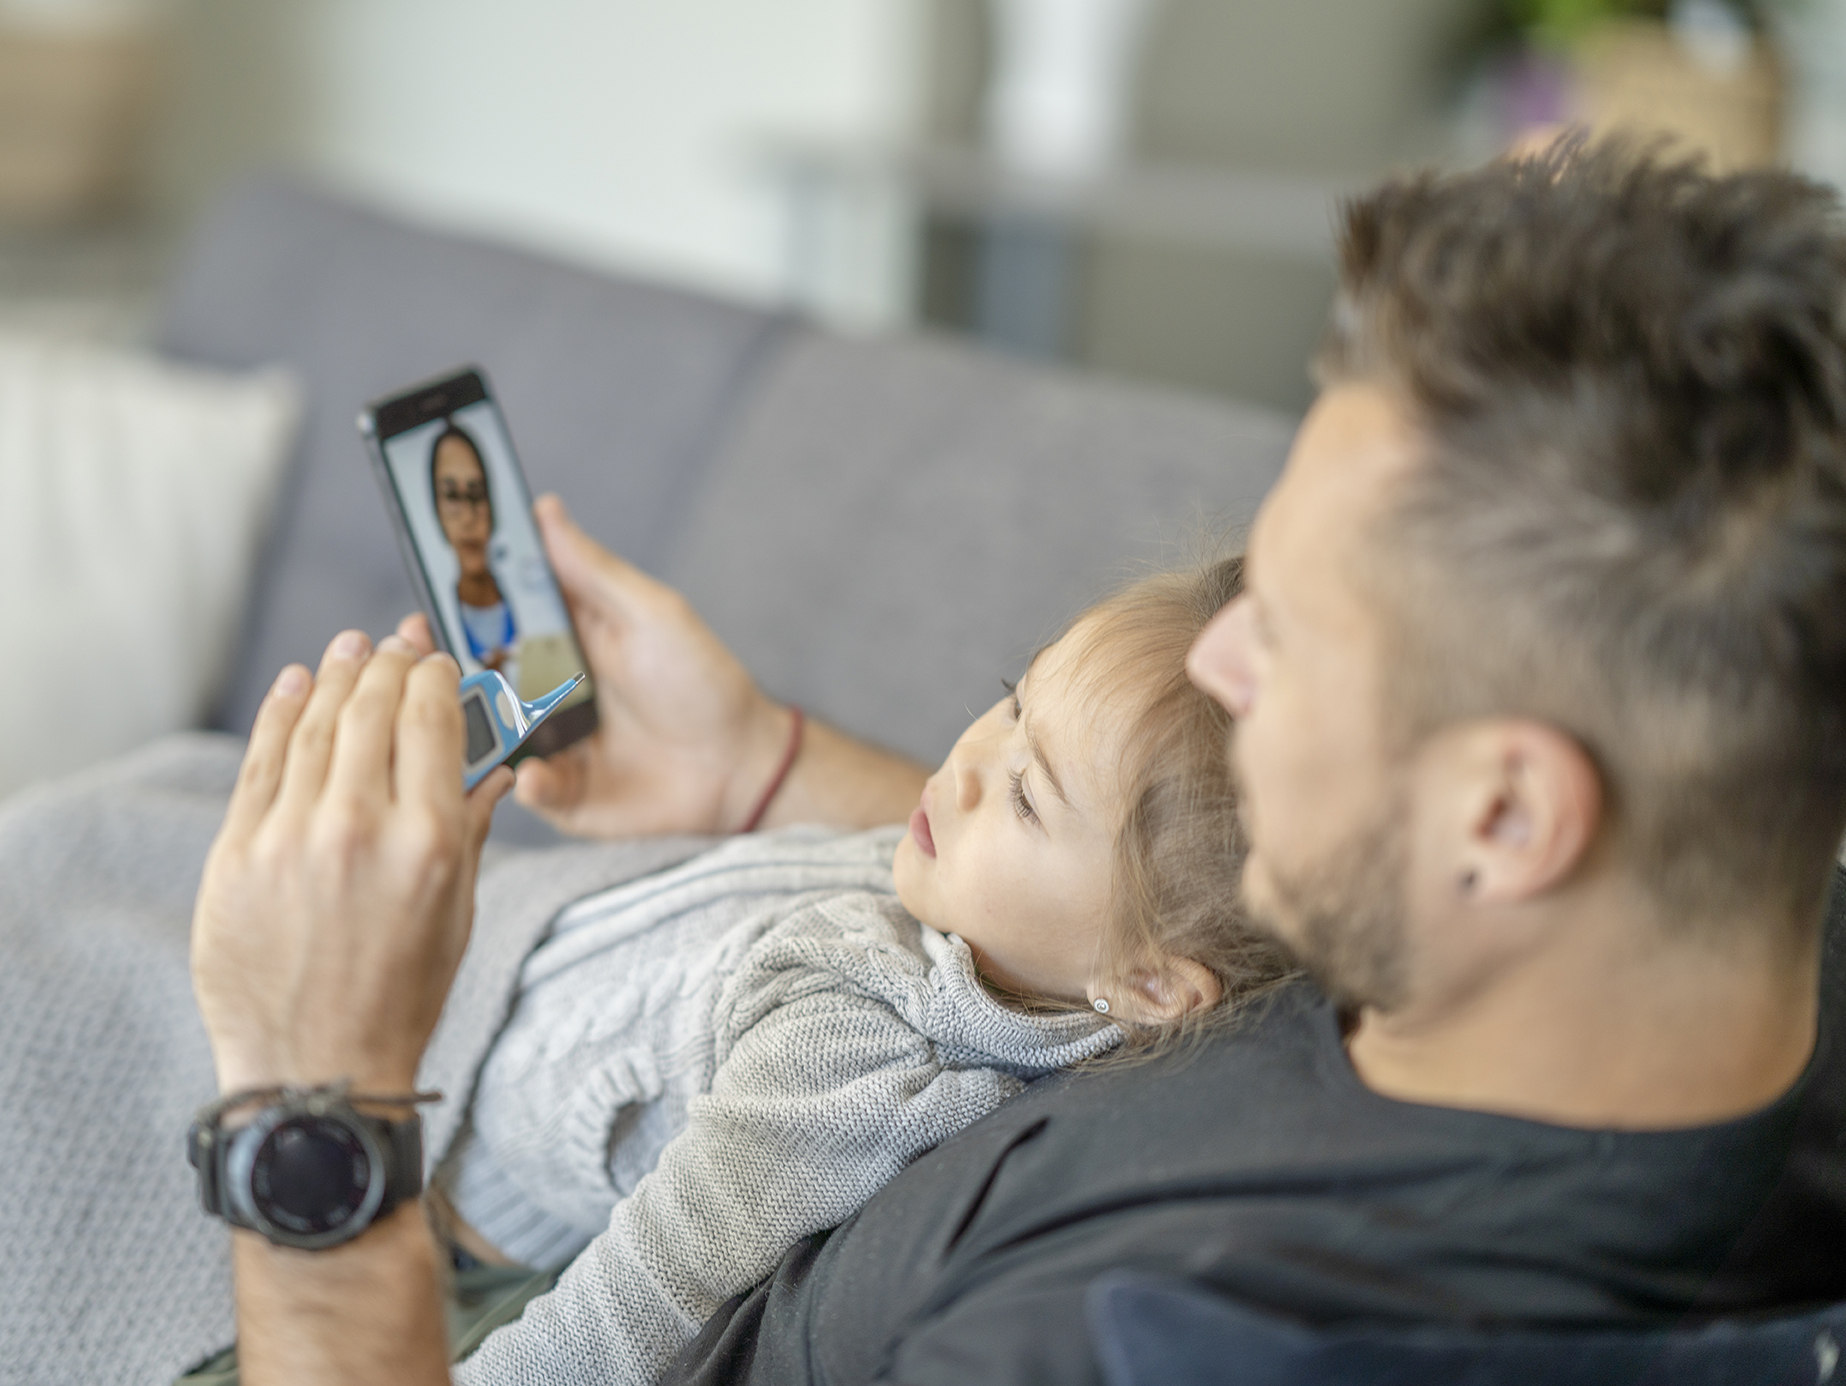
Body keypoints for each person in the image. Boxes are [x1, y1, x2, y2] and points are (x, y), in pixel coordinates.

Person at [188, 143, 1846, 1385]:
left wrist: (312, 1104)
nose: (1220, 660)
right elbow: (1166, 921)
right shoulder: (1672, 963)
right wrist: (770, 769)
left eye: (1296, 637)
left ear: (1502, 816)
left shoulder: (1150, 1340)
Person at [187, 557, 1294, 1384]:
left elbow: (638, 1306)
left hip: (452, 1193)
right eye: (1012, 702)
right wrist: (752, 762)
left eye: (1025, 795)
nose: (963, 763)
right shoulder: (975, 913)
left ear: (1152, 986)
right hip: (514, 1015)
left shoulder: (851, 1065)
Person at [430, 425, 514, 676]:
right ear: (437, 511)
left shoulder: (522, 598)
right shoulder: (443, 618)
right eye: (452, 496)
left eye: (477, 495)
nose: (468, 517)